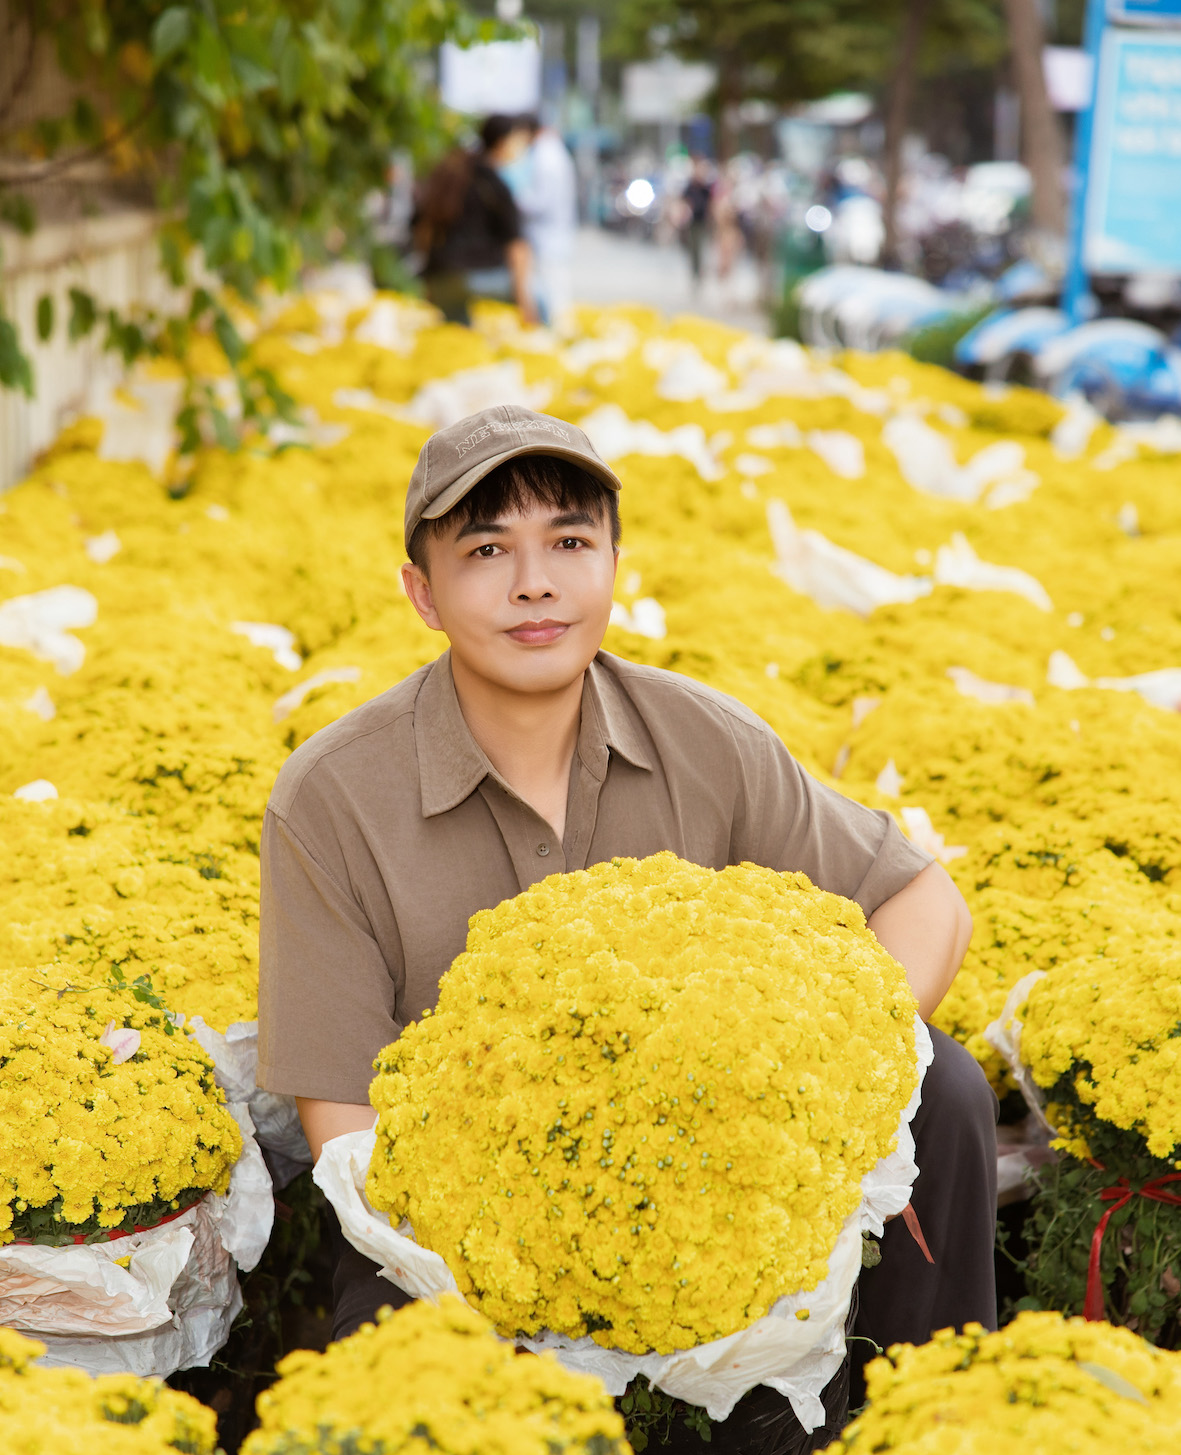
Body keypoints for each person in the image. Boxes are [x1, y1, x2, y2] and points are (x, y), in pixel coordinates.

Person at [257, 406, 999, 1365]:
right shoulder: (330, 798)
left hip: (729, 1188)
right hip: (468, 1239)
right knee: (395, 1386)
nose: (534, 584)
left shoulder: (706, 740)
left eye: (569, 543)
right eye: (486, 551)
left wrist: (810, 1087)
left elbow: (925, 903)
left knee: (947, 1087)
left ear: (613, 564)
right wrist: (533, 1244)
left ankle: (922, 1407)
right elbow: (345, 1127)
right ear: (423, 593)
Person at [413, 116, 537, 326]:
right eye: (520, 140)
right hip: (476, 279)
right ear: (503, 141)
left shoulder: (452, 170)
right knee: (541, 296)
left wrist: (429, 280)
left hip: (439, 276)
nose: (523, 148)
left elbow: (424, 229)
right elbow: (517, 249)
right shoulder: (496, 184)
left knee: (457, 330)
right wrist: (527, 306)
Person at [510, 116, 578, 329]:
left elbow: (541, 201)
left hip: (547, 238)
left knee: (554, 298)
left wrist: (513, 197)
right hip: (552, 235)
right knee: (555, 293)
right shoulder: (551, 152)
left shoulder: (544, 156)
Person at [677, 156, 715, 286]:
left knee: (703, 248)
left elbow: (711, 203)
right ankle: (695, 272)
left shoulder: (706, 188)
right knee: (694, 248)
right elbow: (683, 201)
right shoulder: (690, 187)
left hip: (704, 222)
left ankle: (701, 272)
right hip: (692, 222)